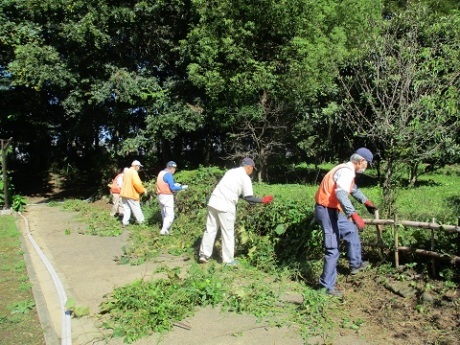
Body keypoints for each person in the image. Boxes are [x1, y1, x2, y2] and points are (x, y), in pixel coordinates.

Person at [314, 147, 378, 296]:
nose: (366, 166)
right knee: (332, 248)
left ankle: (355, 264)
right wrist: (354, 215)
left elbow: (352, 189)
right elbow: (342, 193)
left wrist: (366, 201)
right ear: (361, 161)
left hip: (332, 210)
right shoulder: (346, 171)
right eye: (366, 163)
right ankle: (326, 287)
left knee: (350, 230)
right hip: (325, 210)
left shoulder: (346, 170)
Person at [198, 157, 274, 265]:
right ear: (249, 167)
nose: (252, 171)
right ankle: (228, 260)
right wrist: (263, 200)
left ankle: (203, 255)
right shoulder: (245, 177)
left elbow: (236, 191)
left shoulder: (231, 172)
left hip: (213, 202)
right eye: (252, 168)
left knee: (210, 229)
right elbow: (248, 196)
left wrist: (250, 200)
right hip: (225, 205)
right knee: (227, 232)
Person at [155, 161, 188, 235]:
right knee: (170, 215)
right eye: (174, 168)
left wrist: (174, 184)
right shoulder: (168, 175)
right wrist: (181, 187)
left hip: (160, 195)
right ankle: (164, 230)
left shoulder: (161, 173)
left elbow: (165, 183)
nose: (174, 170)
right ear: (171, 168)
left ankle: (166, 229)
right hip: (167, 196)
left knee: (164, 213)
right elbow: (172, 187)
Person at [120, 160, 147, 227]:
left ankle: (125, 222)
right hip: (131, 194)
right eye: (138, 167)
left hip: (124, 193)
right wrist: (143, 190)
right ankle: (142, 222)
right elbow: (137, 183)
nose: (139, 168)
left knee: (126, 209)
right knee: (136, 208)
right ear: (135, 166)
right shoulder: (134, 172)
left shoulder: (126, 172)